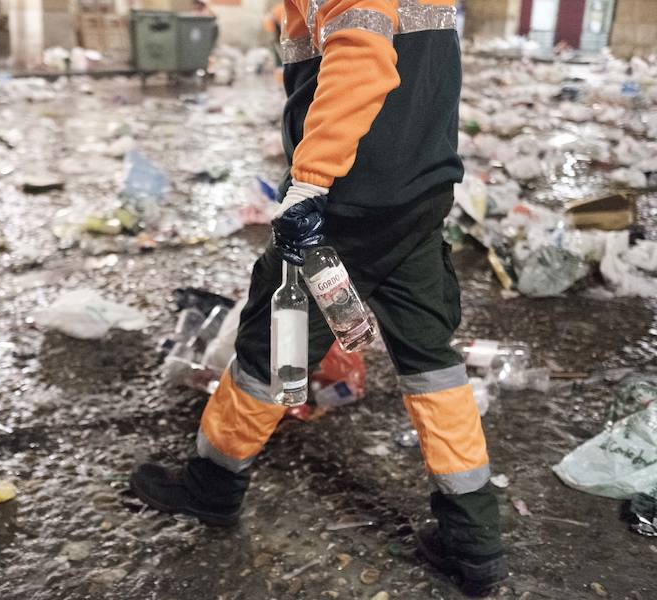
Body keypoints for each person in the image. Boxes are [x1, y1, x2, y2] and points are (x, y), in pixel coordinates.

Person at [130, 0, 506, 594]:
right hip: (418, 190)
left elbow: (362, 55)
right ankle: (474, 535)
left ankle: (212, 486)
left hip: (349, 199)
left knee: (271, 348)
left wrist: (309, 183)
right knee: (430, 357)